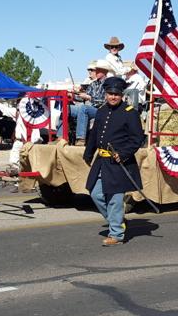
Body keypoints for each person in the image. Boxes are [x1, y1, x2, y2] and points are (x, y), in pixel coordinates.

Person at [83, 77, 146, 246]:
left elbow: (137, 138)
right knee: (95, 193)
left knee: (115, 199)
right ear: (105, 94)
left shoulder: (130, 112)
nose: (113, 97)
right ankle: (117, 220)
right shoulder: (102, 111)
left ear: (121, 95)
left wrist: (123, 153)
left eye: (116, 94)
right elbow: (95, 135)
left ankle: (117, 234)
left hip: (119, 163)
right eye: (110, 94)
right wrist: (88, 155)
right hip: (101, 161)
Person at [57, 60, 110, 145]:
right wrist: (73, 96)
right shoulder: (93, 84)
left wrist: (89, 97)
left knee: (83, 108)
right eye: (93, 70)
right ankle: (61, 137)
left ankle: (81, 139)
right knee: (67, 108)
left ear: (104, 71)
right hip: (91, 108)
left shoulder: (109, 84)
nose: (92, 71)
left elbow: (106, 100)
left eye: (94, 70)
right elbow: (84, 97)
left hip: (101, 110)